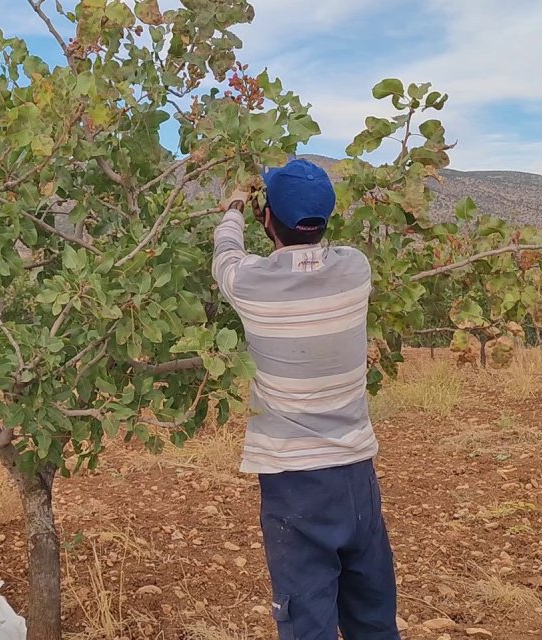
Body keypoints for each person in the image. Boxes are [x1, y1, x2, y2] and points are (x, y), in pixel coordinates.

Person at [211, 158, 399, 640]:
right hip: (357, 476)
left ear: (266, 218)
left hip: (293, 484)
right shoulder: (356, 269)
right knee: (373, 618)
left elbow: (225, 251)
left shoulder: (250, 283)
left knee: (306, 625)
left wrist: (235, 204)